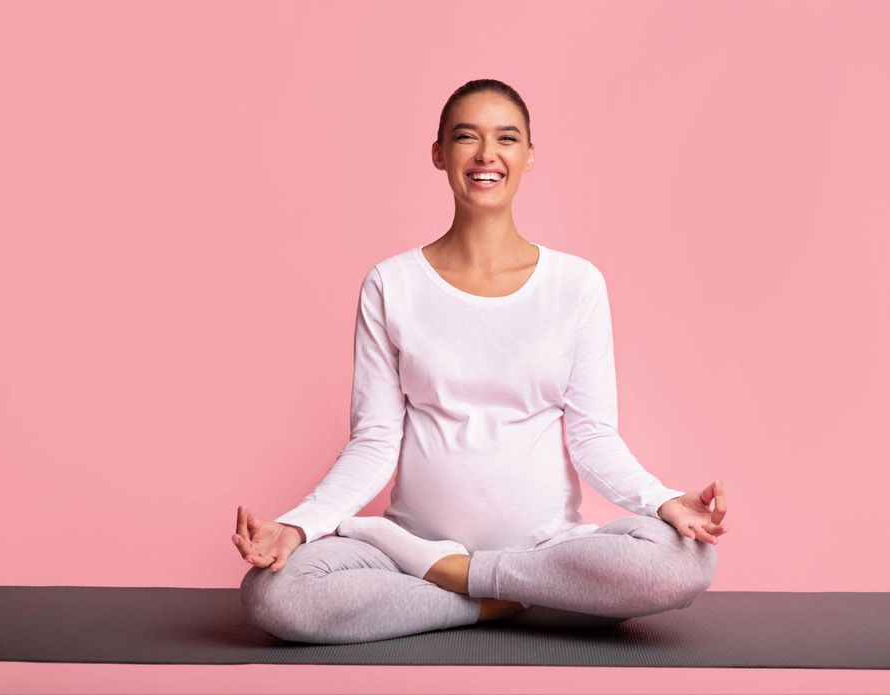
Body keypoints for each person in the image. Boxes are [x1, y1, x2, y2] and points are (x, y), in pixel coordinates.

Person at [233, 79, 729, 644]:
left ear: (529, 154)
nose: (487, 154)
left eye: (507, 138)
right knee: (274, 595)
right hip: (412, 547)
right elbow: (374, 440)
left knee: (685, 561)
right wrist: (299, 524)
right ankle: (508, 604)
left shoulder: (576, 284)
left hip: (546, 552)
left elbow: (593, 438)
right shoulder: (391, 284)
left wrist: (663, 500)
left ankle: (469, 584)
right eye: (466, 136)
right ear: (440, 154)